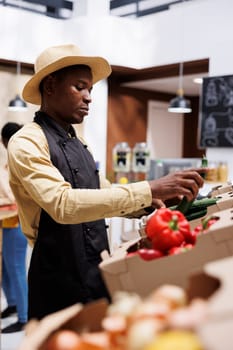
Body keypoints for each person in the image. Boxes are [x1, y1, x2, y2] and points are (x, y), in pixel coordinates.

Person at [7, 44, 207, 321]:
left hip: (97, 266)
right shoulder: (27, 142)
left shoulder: (80, 143)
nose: (89, 97)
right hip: (57, 277)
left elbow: (104, 193)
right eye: (80, 87)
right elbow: (62, 204)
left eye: (90, 89)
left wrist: (150, 203)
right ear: (50, 86)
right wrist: (149, 189)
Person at [0, 122, 28, 333]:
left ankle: (24, 316)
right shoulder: (12, 162)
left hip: (17, 221)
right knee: (8, 269)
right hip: (9, 221)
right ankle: (13, 304)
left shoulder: (18, 161)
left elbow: (14, 197)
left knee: (16, 268)